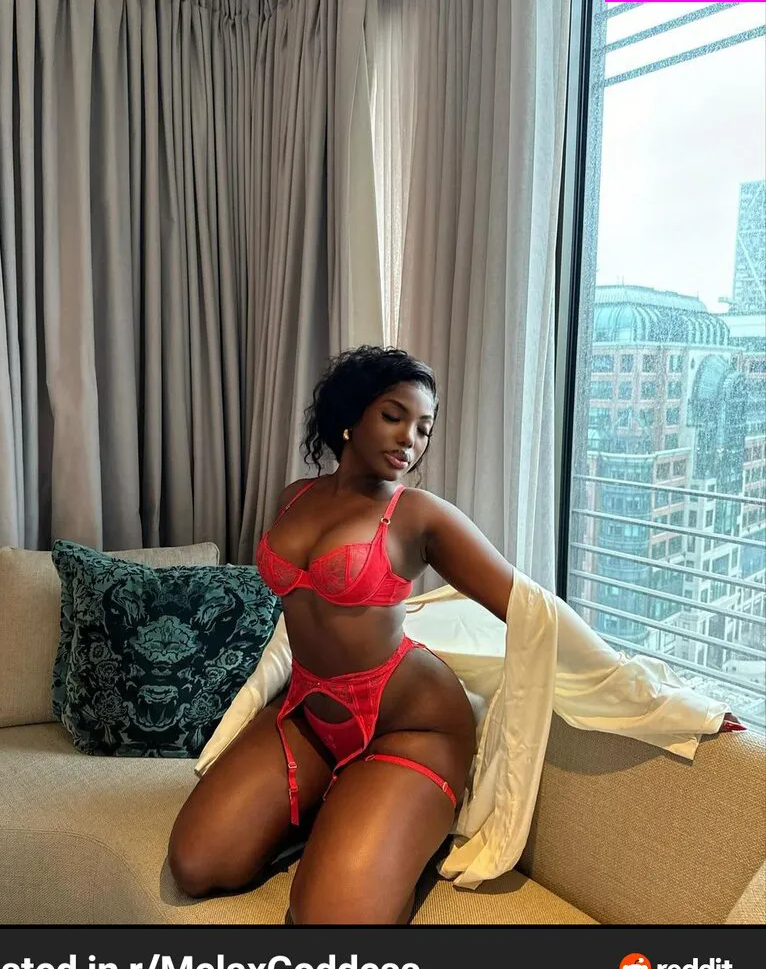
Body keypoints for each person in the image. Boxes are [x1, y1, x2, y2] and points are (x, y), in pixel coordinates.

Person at [167, 345, 745, 924]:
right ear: (350, 416)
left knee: (329, 921)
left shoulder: (419, 516)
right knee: (197, 864)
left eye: (424, 428)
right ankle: (338, 809)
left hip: (411, 727)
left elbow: (533, 608)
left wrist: (655, 697)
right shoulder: (294, 496)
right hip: (308, 710)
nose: (410, 440)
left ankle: (385, 828)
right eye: (393, 416)